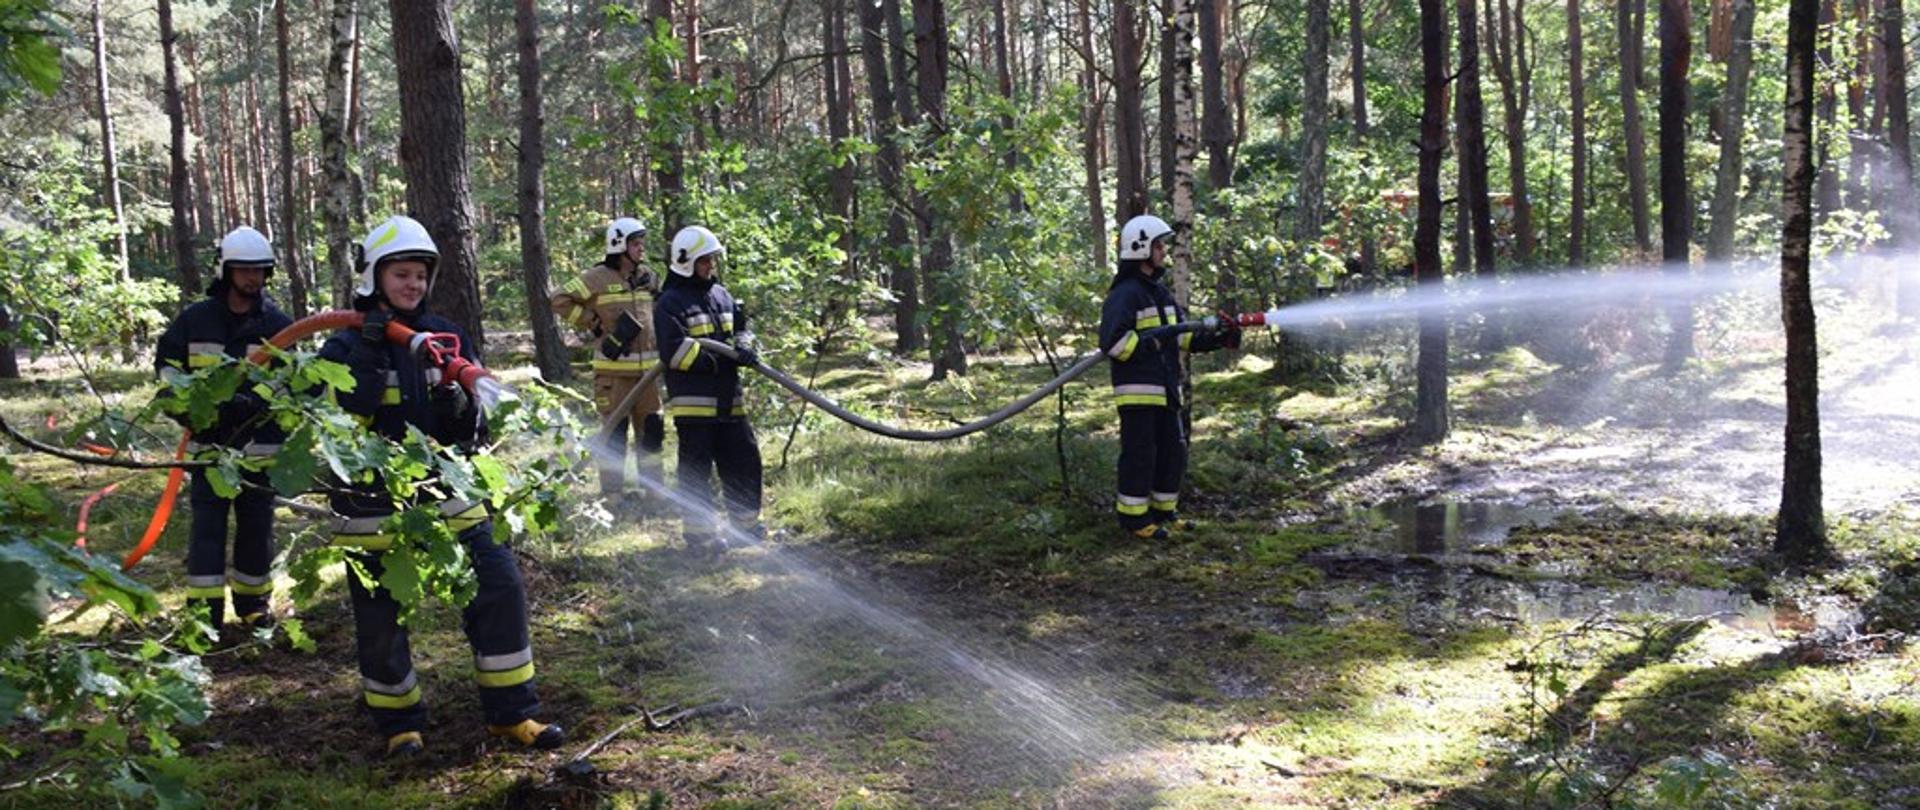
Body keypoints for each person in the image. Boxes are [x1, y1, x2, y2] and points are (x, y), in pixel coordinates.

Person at [317, 215, 564, 757]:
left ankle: (511, 714)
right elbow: (336, 428)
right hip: (372, 504)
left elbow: (475, 424)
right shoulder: (340, 347)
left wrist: (460, 409)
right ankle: (398, 723)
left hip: (447, 492)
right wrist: (367, 351)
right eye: (401, 274)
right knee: (380, 616)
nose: (413, 285)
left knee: (499, 585)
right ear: (372, 278)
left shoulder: (446, 335)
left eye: (420, 275)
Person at [154, 226, 292, 630]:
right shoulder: (194, 322)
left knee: (256, 533)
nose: (253, 278)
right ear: (226, 271)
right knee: (206, 535)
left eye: (260, 271)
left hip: (260, 453)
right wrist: (188, 413)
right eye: (245, 270)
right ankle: (203, 617)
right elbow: (168, 372)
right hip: (209, 451)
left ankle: (254, 607)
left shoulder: (280, 326)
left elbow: (298, 386)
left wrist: (256, 405)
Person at [1097, 214, 1241, 540]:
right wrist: (1154, 340)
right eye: (1158, 245)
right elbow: (1113, 342)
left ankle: (1165, 512)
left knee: (1172, 452)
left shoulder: (1159, 294)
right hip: (1138, 393)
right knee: (1140, 454)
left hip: (1166, 390)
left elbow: (1183, 336)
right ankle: (1134, 520)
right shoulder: (1126, 294)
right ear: (1141, 248)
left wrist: (1221, 338)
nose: (1163, 251)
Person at [653, 225, 766, 554]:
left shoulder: (721, 295)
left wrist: (744, 345)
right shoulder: (670, 303)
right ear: (686, 261)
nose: (710, 266)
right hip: (695, 407)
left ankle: (745, 527)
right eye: (705, 260)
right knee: (696, 472)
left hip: (730, 401)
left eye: (712, 260)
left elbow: (742, 328)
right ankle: (700, 537)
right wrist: (718, 360)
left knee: (744, 460)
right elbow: (673, 351)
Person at [549, 217, 664, 506]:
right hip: (613, 376)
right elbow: (558, 299)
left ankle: (653, 492)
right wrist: (591, 322)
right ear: (619, 245)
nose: (641, 249)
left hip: (648, 376)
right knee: (615, 435)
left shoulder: (648, 277)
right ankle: (613, 496)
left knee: (651, 434)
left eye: (642, 243)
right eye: (636, 244)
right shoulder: (596, 278)